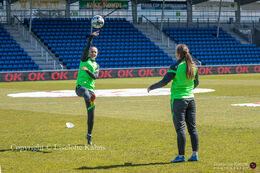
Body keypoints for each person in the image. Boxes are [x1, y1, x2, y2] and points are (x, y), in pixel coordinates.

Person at [147, 44, 199, 162]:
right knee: (192, 128)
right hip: (191, 99)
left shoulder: (176, 66)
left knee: (180, 128)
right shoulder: (193, 66)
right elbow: (196, 83)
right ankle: (195, 154)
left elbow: (164, 81)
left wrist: (151, 87)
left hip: (178, 100)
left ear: (178, 53)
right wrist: (188, 90)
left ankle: (181, 156)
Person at [75, 31, 100, 145]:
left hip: (91, 90)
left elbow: (95, 76)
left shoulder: (97, 66)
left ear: (97, 54)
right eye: (92, 51)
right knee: (85, 92)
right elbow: (87, 47)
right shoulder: (85, 59)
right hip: (80, 88)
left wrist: (87, 70)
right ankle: (91, 98)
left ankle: (89, 135)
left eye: (95, 52)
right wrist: (91, 37)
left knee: (91, 113)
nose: (93, 53)